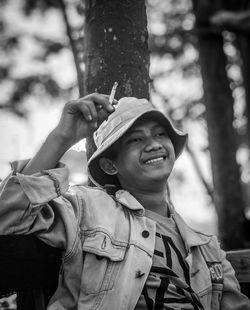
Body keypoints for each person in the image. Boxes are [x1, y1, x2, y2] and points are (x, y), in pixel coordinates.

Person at [0, 93, 249, 310]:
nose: (153, 144)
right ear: (110, 165)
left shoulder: (209, 249)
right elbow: (8, 216)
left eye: (160, 134)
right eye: (136, 139)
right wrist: (62, 137)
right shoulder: (87, 210)